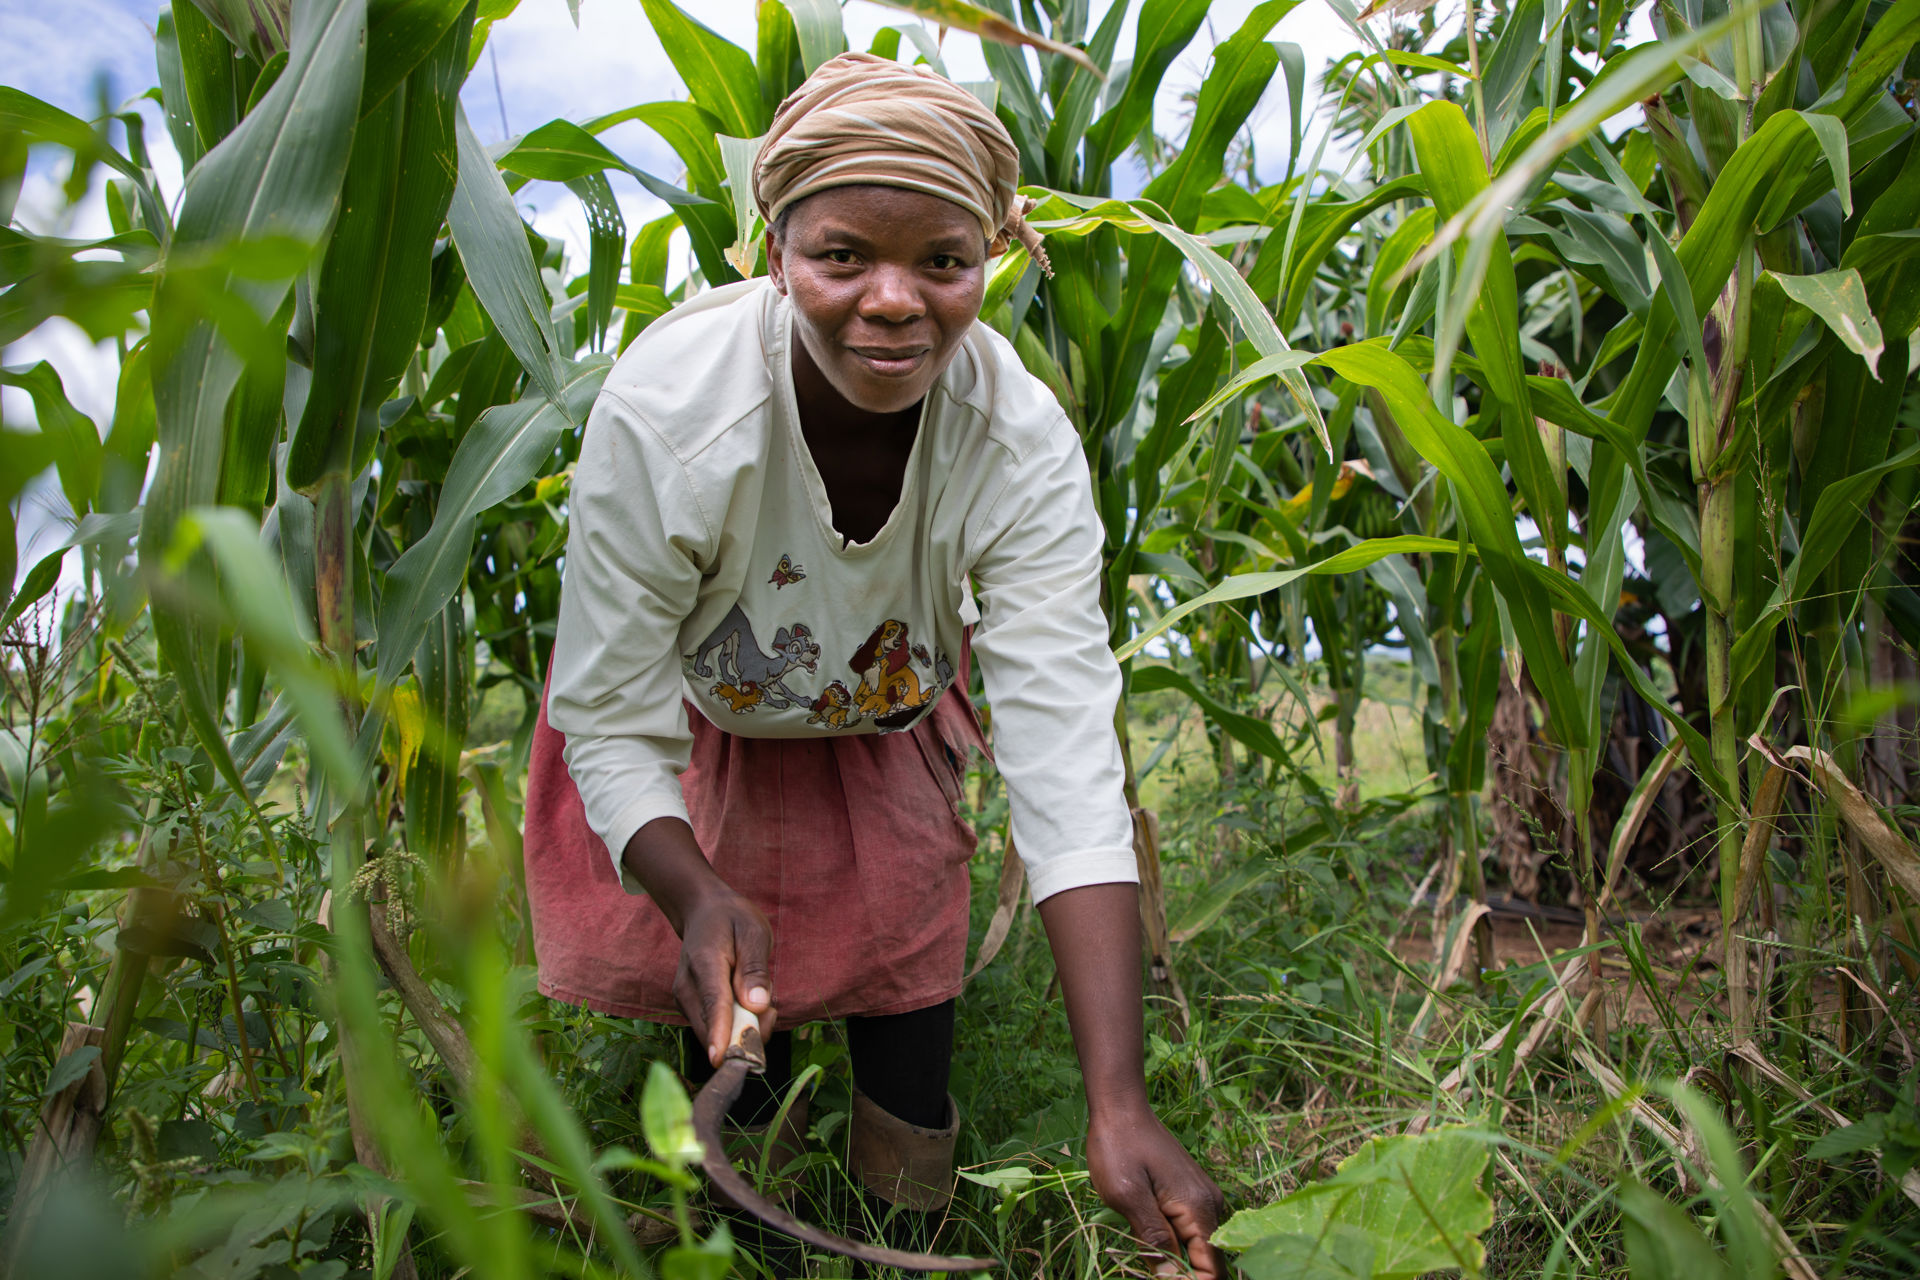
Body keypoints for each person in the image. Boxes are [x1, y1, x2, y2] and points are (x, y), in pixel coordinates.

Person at [525, 50, 1222, 1276]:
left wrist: (1120, 1101)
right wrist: (693, 890)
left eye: (944, 261)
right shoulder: (673, 412)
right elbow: (615, 722)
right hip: (704, 737)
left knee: (909, 1012)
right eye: (843, 255)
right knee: (737, 1043)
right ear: (778, 247)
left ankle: (903, 1231)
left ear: (992, 259)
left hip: (885, 718)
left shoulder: (1017, 444)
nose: (894, 300)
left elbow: (1063, 759)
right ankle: (748, 1237)